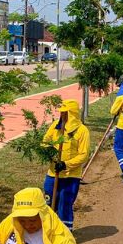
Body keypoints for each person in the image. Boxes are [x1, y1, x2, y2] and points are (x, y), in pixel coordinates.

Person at [41, 98, 89, 230]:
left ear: (72, 114)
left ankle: (66, 233)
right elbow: (45, 140)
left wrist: (66, 164)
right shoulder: (56, 126)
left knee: (65, 204)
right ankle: (48, 230)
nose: (62, 115)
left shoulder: (82, 131)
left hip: (71, 176)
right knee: (49, 202)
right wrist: (48, 152)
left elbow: (83, 154)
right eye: (61, 113)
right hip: (53, 173)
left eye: (65, 113)